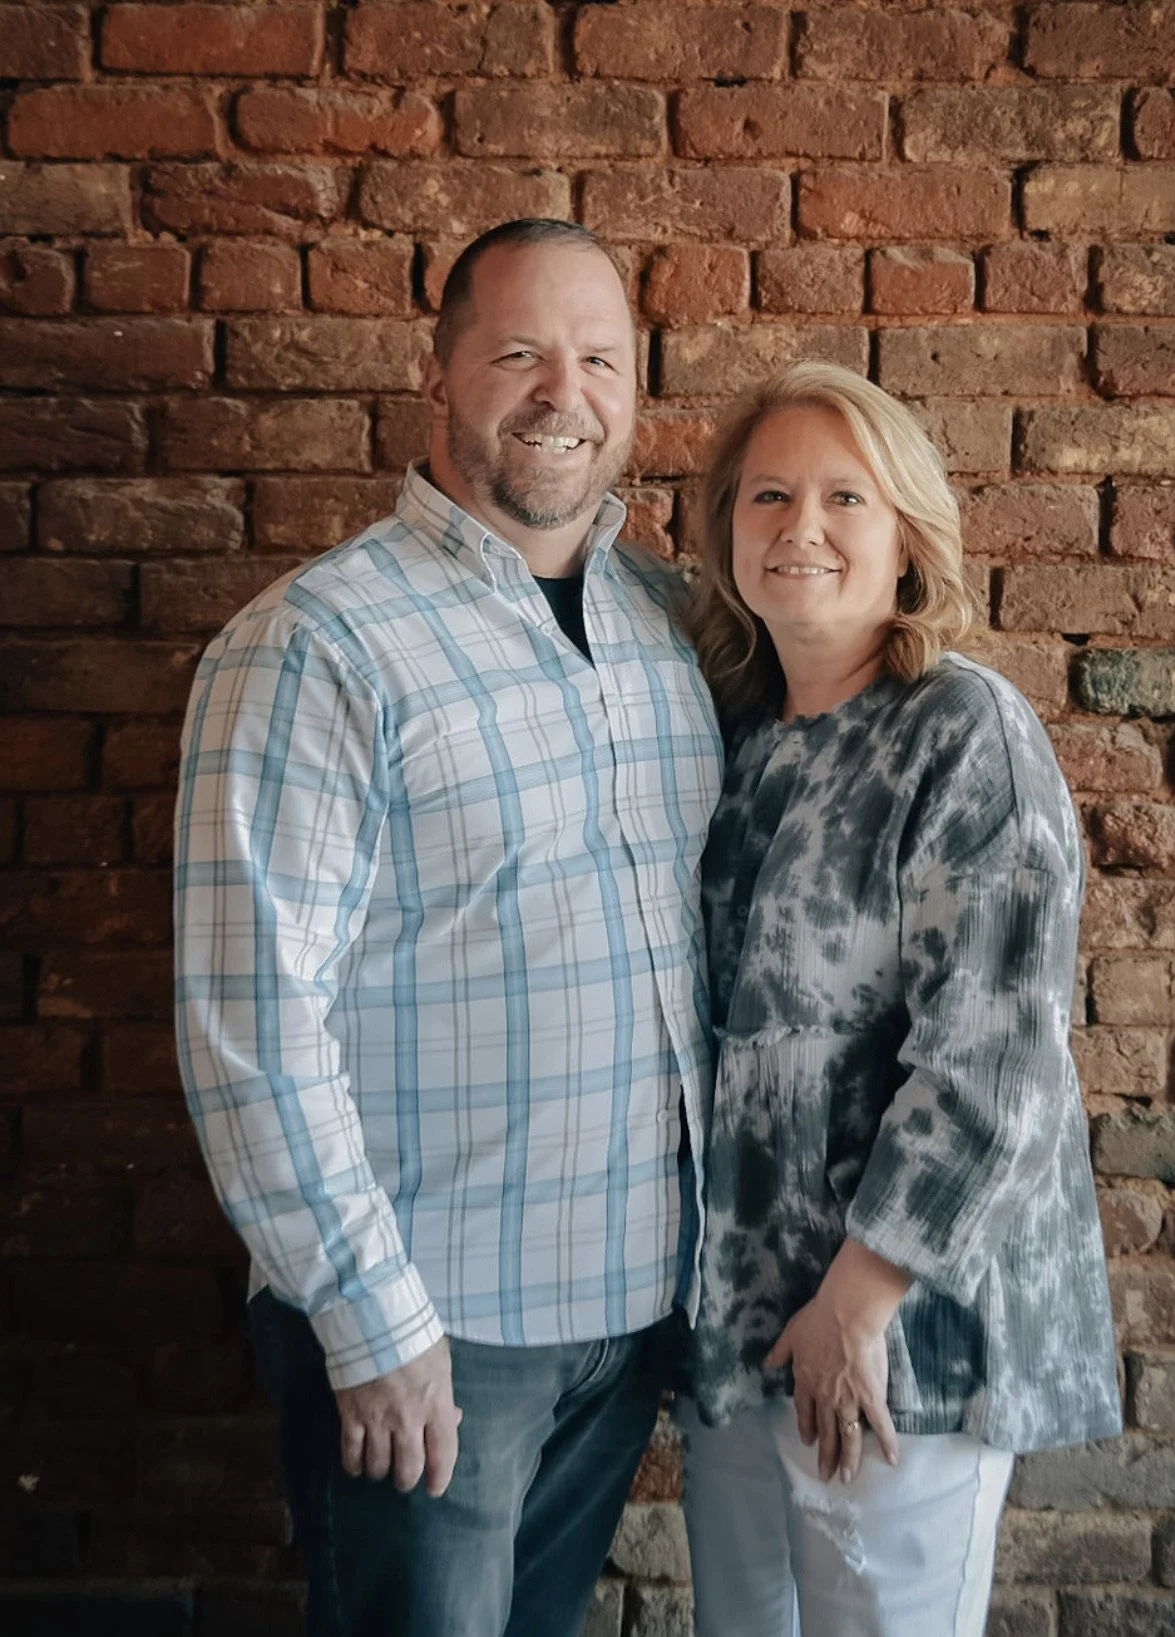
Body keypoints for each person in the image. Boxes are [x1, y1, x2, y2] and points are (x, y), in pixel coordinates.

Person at [173, 218, 722, 1637]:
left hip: (629, 1308)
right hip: (434, 1332)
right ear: (438, 377)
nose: (563, 393)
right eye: (520, 352)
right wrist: (371, 1320)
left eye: (598, 359)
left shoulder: (666, 624)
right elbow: (251, 1026)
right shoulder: (316, 644)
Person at [677, 360, 1121, 1637]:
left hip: (899, 1333)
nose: (799, 527)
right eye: (768, 495)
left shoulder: (962, 730)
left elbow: (993, 1060)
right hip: (746, 1321)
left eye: (844, 497)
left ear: (909, 537)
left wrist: (859, 1301)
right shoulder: (737, 734)